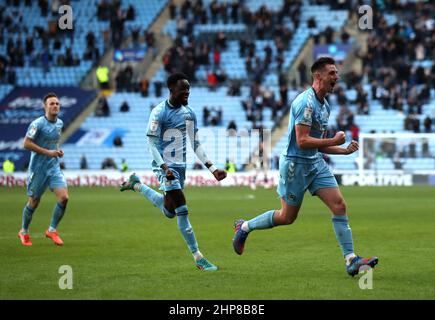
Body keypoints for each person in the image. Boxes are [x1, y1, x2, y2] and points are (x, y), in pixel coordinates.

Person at [232, 57, 378, 277]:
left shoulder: (325, 105)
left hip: (314, 163)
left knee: (339, 205)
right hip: (295, 166)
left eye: (337, 73)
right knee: (287, 217)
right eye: (332, 73)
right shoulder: (305, 103)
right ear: (318, 76)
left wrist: (343, 150)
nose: (336, 77)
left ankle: (351, 260)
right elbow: (302, 141)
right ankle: (244, 227)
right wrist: (334, 141)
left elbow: (318, 145)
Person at [120, 73, 227, 271]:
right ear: (171, 90)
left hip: (180, 167)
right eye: (183, 89)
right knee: (182, 210)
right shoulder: (159, 112)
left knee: (169, 211)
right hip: (164, 166)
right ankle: (199, 258)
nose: (187, 92)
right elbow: (151, 144)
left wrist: (212, 168)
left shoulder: (189, 113)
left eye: (188, 89)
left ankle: (136, 184)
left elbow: (195, 142)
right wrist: (163, 167)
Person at [18, 93, 69, 246]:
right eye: (52, 103)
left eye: (57, 104)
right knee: (34, 202)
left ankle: (52, 230)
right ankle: (24, 231)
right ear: (45, 106)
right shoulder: (37, 124)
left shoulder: (59, 123)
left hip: (53, 167)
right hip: (38, 169)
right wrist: (48, 152)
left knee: (64, 198)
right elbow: (26, 143)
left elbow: (53, 144)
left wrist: (57, 151)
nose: (55, 106)